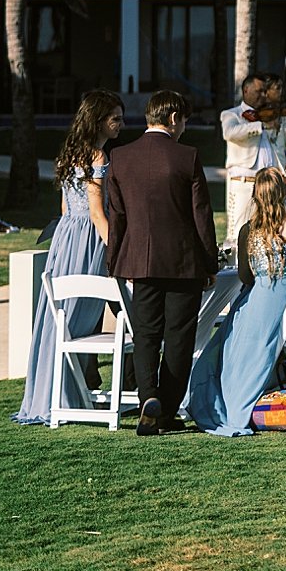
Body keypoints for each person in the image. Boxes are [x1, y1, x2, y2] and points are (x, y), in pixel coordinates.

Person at [104, 90, 219, 435]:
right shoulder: (187, 156)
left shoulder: (121, 157)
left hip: (139, 260)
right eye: (183, 120)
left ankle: (147, 400)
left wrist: (114, 262)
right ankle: (166, 410)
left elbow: (117, 217)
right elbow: (201, 215)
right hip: (183, 261)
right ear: (173, 118)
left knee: (146, 336)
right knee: (179, 337)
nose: (184, 127)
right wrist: (210, 263)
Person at [13, 90, 125, 425]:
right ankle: (63, 394)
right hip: (87, 239)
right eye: (114, 118)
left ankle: (51, 393)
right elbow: (96, 213)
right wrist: (116, 250)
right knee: (77, 318)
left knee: (60, 319)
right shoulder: (98, 157)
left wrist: (65, 239)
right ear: (98, 120)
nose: (120, 124)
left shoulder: (69, 154)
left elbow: (64, 209)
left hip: (65, 238)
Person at [186, 168, 286, 436]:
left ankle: (230, 403)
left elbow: (245, 276)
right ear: (284, 193)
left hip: (266, 303)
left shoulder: (249, 230)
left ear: (255, 197)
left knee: (226, 339)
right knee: (231, 329)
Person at [221, 72, 286, 248]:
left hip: (275, 186)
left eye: (265, 91)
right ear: (246, 90)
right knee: (239, 233)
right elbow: (229, 133)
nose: (264, 95)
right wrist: (260, 126)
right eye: (259, 91)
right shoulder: (231, 115)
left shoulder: (275, 116)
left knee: (280, 230)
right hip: (245, 184)